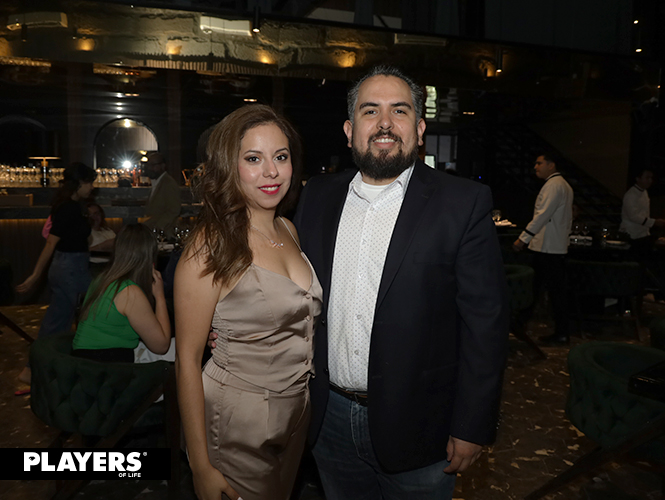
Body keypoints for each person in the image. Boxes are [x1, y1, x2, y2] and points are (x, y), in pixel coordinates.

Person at [292, 66, 508, 499]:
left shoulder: (462, 203)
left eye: (400, 110)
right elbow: (291, 286)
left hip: (421, 426)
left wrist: (472, 425)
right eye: (370, 111)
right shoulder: (316, 195)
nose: (385, 123)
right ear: (350, 130)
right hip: (328, 419)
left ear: (420, 128)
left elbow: (485, 324)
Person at [174, 104, 321, 500]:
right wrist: (200, 465)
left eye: (281, 157)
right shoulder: (211, 244)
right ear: (229, 166)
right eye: (253, 159)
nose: (271, 171)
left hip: (296, 411)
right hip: (236, 418)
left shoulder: (287, 228)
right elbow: (186, 360)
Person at [15, 163, 97, 387]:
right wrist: (35, 275)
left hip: (70, 267)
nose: (92, 187)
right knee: (89, 314)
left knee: (58, 323)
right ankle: (83, 369)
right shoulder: (68, 208)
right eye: (89, 182)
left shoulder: (70, 205)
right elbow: (51, 244)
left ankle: (36, 369)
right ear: (78, 183)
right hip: (70, 269)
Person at [72, 223, 171, 363]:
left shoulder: (101, 279)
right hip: (105, 367)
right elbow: (161, 346)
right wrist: (160, 296)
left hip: (83, 361)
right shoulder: (130, 292)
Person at [513, 153, 573, 345]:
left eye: (539, 163)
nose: (536, 167)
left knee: (546, 289)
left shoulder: (554, 185)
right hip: (553, 245)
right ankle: (521, 324)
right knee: (545, 288)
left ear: (551, 165)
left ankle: (559, 332)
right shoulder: (562, 185)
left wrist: (523, 238)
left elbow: (542, 215)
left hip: (548, 247)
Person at [619, 168, 665, 258]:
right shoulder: (631, 194)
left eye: (651, 178)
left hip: (642, 234)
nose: (650, 181)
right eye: (647, 178)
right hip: (632, 234)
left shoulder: (644, 192)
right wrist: (654, 222)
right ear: (638, 179)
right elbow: (633, 216)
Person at [144, 152, 181, 238]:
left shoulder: (168, 183)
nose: (149, 168)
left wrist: (157, 227)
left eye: (153, 165)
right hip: (157, 232)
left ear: (163, 166)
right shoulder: (158, 182)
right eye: (148, 165)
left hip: (165, 233)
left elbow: (174, 210)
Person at [87, 202, 116, 274]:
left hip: (111, 264)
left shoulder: (108, 231)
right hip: (94, 265)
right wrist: (102, 246)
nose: (94, 217)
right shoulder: (86, 233)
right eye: (91, 215)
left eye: (97, 214)